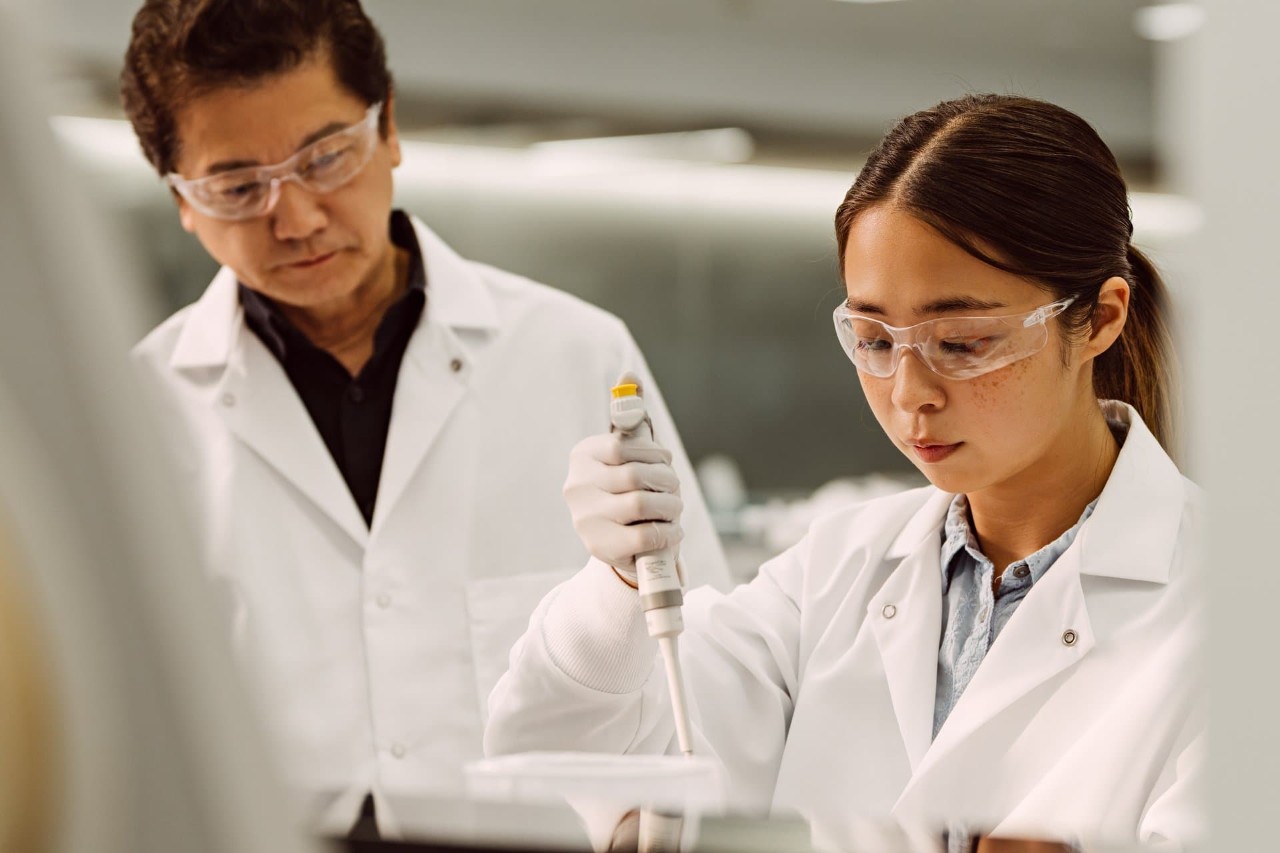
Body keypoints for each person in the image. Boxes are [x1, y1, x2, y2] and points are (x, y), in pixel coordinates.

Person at [485, 94, 1203, 850]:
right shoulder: (832, 577)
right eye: (874, 338)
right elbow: (569, 763)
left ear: (1100, 317)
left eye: (961, 342)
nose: (908, 391)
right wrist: (618, 590)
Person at [120, 0, 729, 837]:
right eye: (237, 187)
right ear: (182, 200)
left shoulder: (576, 352)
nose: (294, 218)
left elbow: (704, 655)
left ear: (389, 129)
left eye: (325, 157)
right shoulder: (140, 414)